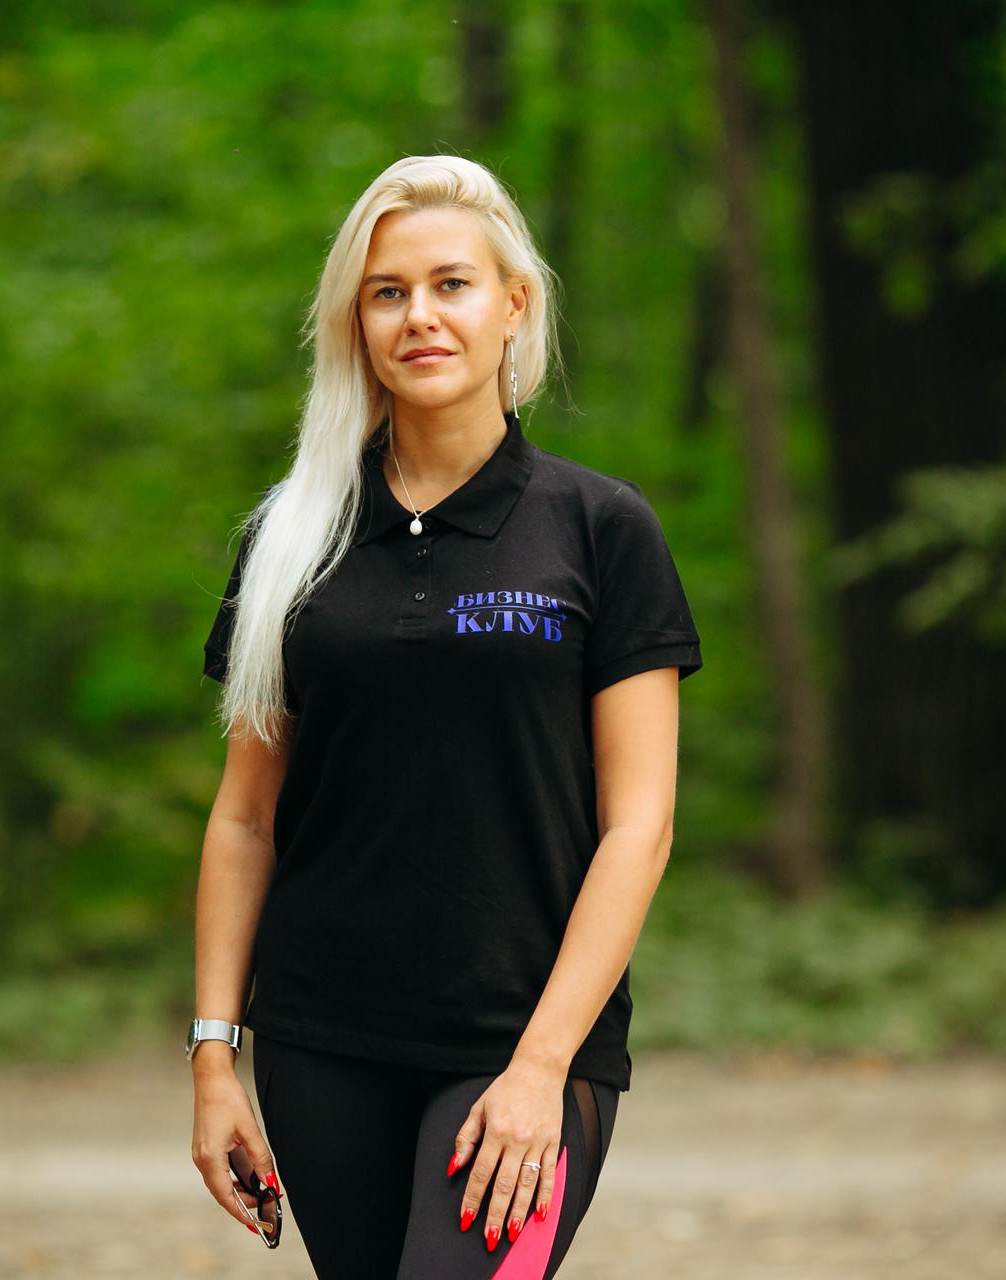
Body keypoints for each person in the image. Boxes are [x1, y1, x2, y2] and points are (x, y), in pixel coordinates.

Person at [188, 154, 701, 1280]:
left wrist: (541, 1067)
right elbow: (244, 818)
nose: (419, 314)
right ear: (357, 323)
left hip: (525, 1044)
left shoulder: (601, 528)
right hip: (322, 1044)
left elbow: (640, 827)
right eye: (388, 292)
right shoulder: (289, 539)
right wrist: (214, 1056)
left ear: (512, 305)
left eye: (451, 284)